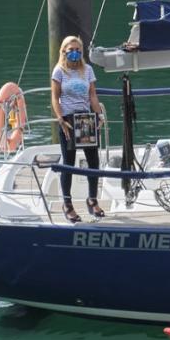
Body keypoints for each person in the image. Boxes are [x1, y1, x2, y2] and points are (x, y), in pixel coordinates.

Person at [49, 35, 106, 223]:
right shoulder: (59, 71)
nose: (74, 52)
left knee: (93, 161)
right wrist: (60, 119)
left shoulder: (87, 70)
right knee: (69, 163)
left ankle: (92, 200)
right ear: (64, 50)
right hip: (68, 120)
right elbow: (55, 98)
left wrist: (100, 115)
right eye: (71, 49)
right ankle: (67, 204)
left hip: (85, 119)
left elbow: (93, 96)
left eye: (78, 49)